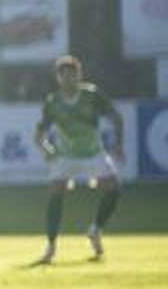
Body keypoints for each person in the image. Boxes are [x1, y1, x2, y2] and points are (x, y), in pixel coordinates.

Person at [34, 55, 124, 264]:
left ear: (79, 75)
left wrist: (118, 145)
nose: (68, 79)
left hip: (93, 153)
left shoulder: (92, 95)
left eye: (72, 74)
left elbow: (116, 117)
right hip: (66, 156)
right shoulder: (53, 102)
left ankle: (96, 229)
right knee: (56, 191)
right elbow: (39, 134)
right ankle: (51, 246)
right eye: (64, 75)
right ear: (58, 78)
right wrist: (47, 149)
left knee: (113, 188)